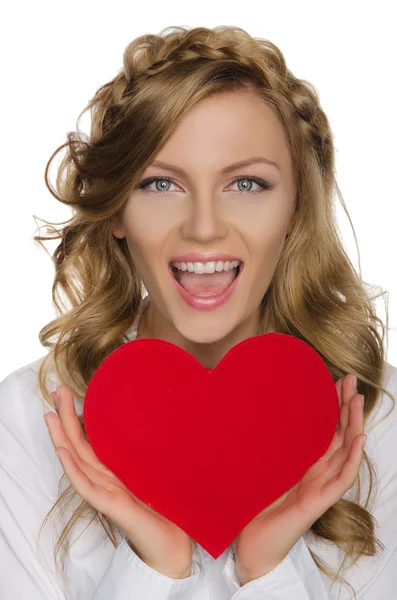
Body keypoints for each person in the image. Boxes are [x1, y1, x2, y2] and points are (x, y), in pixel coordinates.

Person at [0, 24, 396, 600]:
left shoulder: (376, 422)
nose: (204, 227)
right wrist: (155, 565)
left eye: (246, 184)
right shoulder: (27, 421)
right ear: (115, 210)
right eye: (161, 183)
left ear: (296, 211)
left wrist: (267, 566)